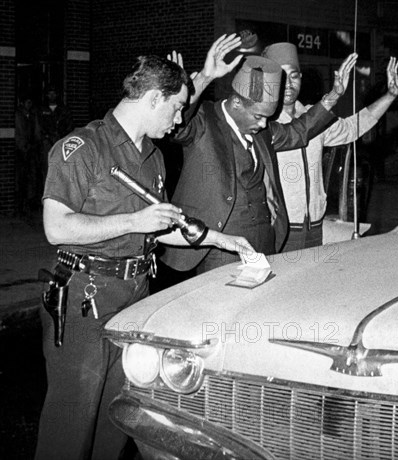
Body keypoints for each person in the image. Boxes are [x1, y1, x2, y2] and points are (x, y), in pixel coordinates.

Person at [36, 36, 254, 460]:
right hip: (86, 297)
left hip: (134, 298)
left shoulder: (152, 157)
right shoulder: (81, 149)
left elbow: (158, 229)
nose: (178, 120)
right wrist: (134, 221)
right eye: (176, 107)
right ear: (155, 98)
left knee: (118, 420)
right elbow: (56, 227)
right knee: (70, 425)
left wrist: (221, 239)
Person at [160, 46, 357, 275]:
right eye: (258, 116)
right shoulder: (203, 122)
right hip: (218, 249)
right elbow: (179, 123)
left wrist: (334, 96)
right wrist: (206, 77)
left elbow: (299, 131)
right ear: (236, 104)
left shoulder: (261, 132)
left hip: (264, 246)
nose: (264, 124)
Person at [262, 42, 398, 250]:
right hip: (279, 231)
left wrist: (389, 96)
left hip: (316, 230)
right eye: (281, 76)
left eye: (294, 75)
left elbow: (352, 127)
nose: (288, 84)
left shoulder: (315, 116)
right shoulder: (261, 123)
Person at [14, 93, 42, 214]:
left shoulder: (32, 115)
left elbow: (36, 131)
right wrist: (23, 147)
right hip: (22, 150)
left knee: (32, 177)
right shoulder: (19, 115)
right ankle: (21, 204)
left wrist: (35, 144)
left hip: (31, 149)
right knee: (22, 177)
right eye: (27, 102)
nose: (29, 105)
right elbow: (20, 133)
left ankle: (29, 203)